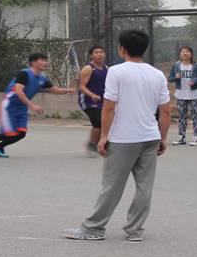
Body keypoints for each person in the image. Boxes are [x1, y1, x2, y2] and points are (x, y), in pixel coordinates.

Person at [64, 29, 171, 242]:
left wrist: (104, 136)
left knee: (111, 185)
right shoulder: (157, 74)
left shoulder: (116, 72)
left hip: (124, 137)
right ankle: (136, 230)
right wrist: (163, 138)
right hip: (150, 136)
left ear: (122, 49)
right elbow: (166, 111)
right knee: (144, 186)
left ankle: (94, 228)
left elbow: (108, 107)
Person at [0, 53, 75, 158]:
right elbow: (18, 91)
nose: (45, 63)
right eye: (42, 60)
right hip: (10, 106)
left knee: (21, 133)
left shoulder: (42, 79)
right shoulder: (24, 74)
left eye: (45, 60)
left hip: (22, 107)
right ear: (33, 63)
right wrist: (32, 105)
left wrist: (69, 90)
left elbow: (55, 90)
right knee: (10, 133)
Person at [168, 46, 197, 146]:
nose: (185, 53)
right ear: (180, 54)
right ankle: (181, 138)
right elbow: (170, 78)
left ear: (191, 54)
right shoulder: (176, 65)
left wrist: (195, 80)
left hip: (194, 95)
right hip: (180, 95)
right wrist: (175, 77)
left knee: (195, 116)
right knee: (182, 117)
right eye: (182, 52)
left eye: (187, 51)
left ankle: (195, 138)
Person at [78, 45, 108, 156]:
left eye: (101, 52)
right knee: (98, 122)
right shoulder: (88, 69)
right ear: (91, 55)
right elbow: (81, 86)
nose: (99, 54)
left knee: (104, 123)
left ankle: (97, 143)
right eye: (96, 52)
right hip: (88, 100)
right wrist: (92, 95)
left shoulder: (107, 69)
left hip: (102, 100)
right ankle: (92, 144)